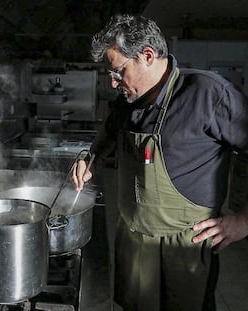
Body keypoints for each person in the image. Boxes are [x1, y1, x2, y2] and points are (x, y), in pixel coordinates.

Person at [72, 14, 248, 311]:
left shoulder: (208, 94)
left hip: (185, 249)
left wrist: (244, 221)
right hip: (134, 242)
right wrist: (89, 158)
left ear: (148, 56)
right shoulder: (128, 101)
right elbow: (108, 134)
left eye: (118, 72)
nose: (114, 83)